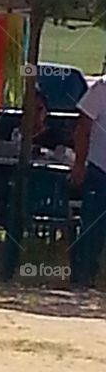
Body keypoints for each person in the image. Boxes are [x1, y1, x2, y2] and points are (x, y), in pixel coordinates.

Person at [68, 76, 106, 288]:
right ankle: (83, 274)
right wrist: (79, 164)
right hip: (100, 168)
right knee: (93, 226)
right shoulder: (101, 88)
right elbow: (83, 128)